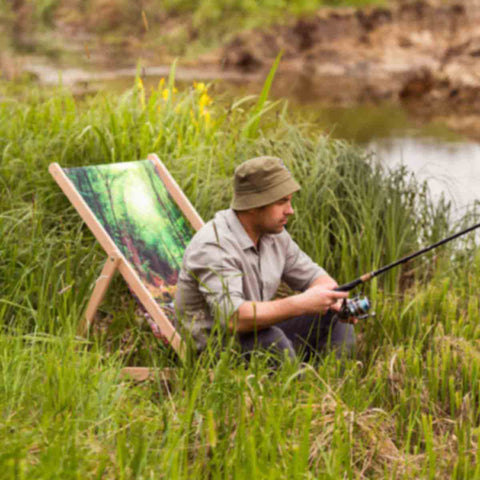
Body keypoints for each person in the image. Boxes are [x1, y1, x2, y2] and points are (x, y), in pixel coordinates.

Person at [174, 156, 356, 361]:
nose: (291, 210)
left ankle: (335, 384)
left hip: (254, 332)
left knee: (333, 314)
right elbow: (234, 319)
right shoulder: (214, 245)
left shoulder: (275, 235)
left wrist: (331, 297)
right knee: (271, 340)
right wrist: (301, 303)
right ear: (252, 205)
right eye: (282, 202)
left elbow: (317, 277)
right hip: (216, 347)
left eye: (289, 200)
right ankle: (299, 388)